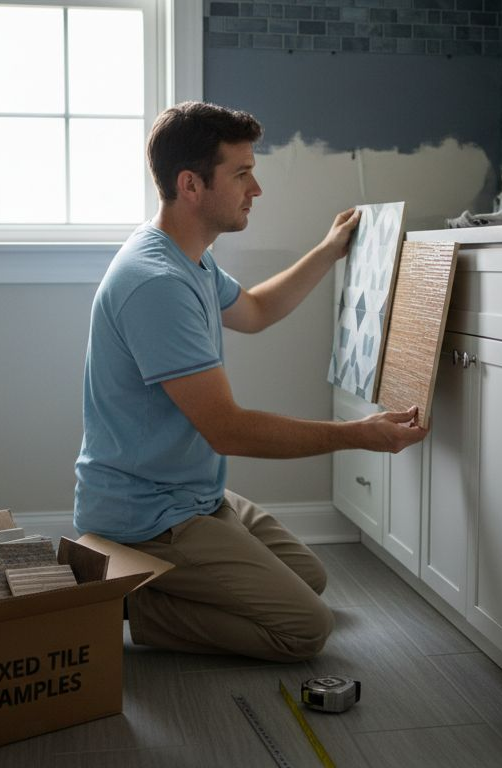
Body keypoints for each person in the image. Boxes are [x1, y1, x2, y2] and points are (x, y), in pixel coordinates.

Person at [73, 101, 427, 662]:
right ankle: (123, 600)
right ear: (191, 184)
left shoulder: (189, 258)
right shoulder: (156, 284)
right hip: (147, 516)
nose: (255, 188)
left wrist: (328, 251)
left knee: (309, 578)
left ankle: (162, 579)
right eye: (241, 173)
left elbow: (257, 310)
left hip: (193, 494)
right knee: (303, 630)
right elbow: (229, 432)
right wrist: (360, 434)